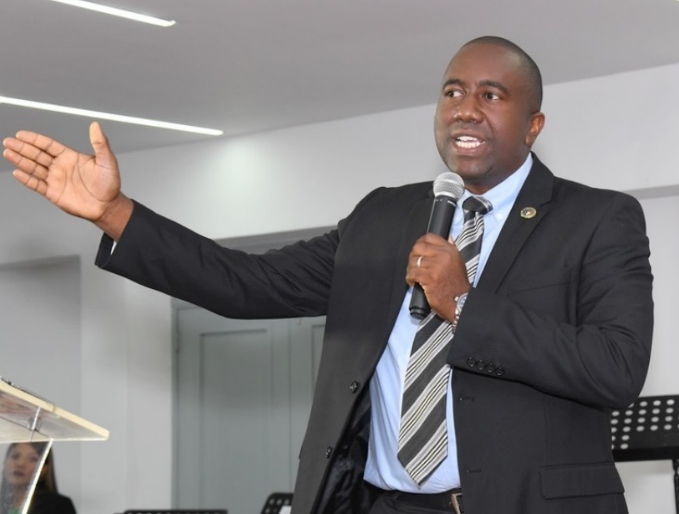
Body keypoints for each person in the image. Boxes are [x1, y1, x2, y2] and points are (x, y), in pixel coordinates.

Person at [2, 36, 653, 514]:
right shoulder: (383, 217)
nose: (465, 108)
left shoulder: (596, 220)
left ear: (533, 124)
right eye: (452, 91)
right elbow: (245, 283)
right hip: (383, 505)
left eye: (491, 94)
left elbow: (615, 367)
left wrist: (464, 303)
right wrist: (115, 213)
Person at [1, 443, 76, 514]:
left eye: (33, 459)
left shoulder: (58, 505)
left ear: (44, 469)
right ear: (4, 462)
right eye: (15, 456)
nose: (20, 464)